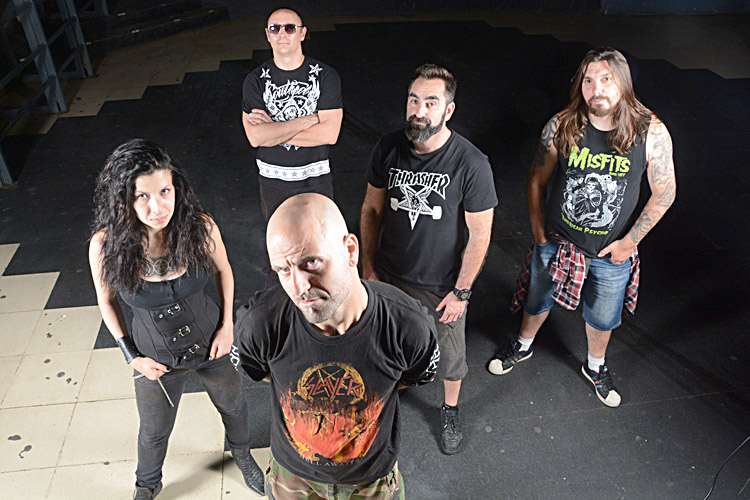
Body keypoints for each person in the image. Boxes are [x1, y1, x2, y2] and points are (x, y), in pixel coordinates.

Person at [488, 47, 676, 408]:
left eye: (606, 79)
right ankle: (523, 346)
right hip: (558, 241)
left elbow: (665, 192)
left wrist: (629, 242)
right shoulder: (562, 124)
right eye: (588, 80)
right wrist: (539, 232)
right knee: (536, 298)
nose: (596, 89)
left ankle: (595, 366)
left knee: (603, 318)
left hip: (611, 251)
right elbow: (536, 180)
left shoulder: (650, 130)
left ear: (623, 83)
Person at [232, 193, 440, 499]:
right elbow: (261, 373)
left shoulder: (407, 327)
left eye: (311, 262)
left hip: (371, 480)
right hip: (293, 477)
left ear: (350, 250)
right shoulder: (259, 325)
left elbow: (412, 377)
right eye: (283, 270)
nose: (300, 287)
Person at [88, 139, 264, 500]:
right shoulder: (105, 245)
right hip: (154, 357)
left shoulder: (200, 227)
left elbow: (224, 271)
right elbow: (106, 301)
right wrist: (132, 357)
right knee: (153, 431)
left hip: (212, 341)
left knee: (233, 406)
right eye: (142, 196)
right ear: (123, 199)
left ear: (176, 188)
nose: (157, 207)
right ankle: (146, 486)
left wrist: (227, 326)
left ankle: (244, 457)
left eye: (164, 191)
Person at [360, 64, 497, 455]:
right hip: (388, 273)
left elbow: (480, 234)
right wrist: (368, 267)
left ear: (448, 111)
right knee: (384, 341)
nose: (419, 111)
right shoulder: (388, 147)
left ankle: (449, 410)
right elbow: (371, 209)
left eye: (431, 103)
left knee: (451, 358)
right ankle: (390, 389)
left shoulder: (471, 163)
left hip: (441, 285)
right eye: (414, 100)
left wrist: (461, 292)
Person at [242, 7, 343, 220]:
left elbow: (330, 134)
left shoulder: (326, 76)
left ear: (302, 33)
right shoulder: (254, 80)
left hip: (316, 179)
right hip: (272, 182)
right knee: (279, 240)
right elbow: (256, 137)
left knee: (321, 238)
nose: (282, 34)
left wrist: (273, 130)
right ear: (267, 34)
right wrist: (309, 120)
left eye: (289, 28)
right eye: (275, 28)